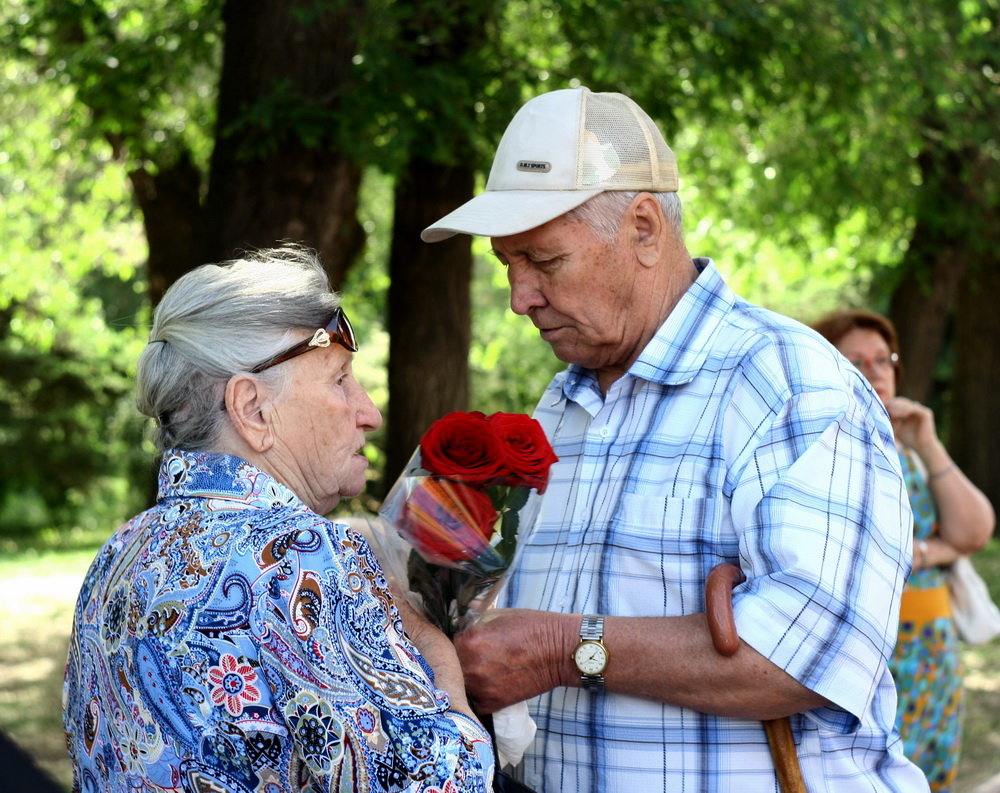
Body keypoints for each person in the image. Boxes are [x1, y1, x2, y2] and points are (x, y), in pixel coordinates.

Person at [421, 86, 929, 792]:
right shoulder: (561, 404)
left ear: (645, 227)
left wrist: (568, 649)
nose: (519, 297)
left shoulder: (787, 380)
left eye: (544, 260)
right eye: (509, 264)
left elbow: (809, 652)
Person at [62, 245, 494, 793]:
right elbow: (440, 783)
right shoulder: (297, 555)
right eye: (340, 380)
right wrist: (435, 652)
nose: (370, 413)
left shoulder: (118, 556)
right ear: (252, 409)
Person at [812, 309, 994, 791]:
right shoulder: (827, 449)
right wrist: (929, 548)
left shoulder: (908, 447)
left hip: (933, 649)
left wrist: (927, 443)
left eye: (884, 359)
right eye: (857, 359)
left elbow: (974, 532)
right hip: (873, 651)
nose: (876, 370)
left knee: (933, 774)